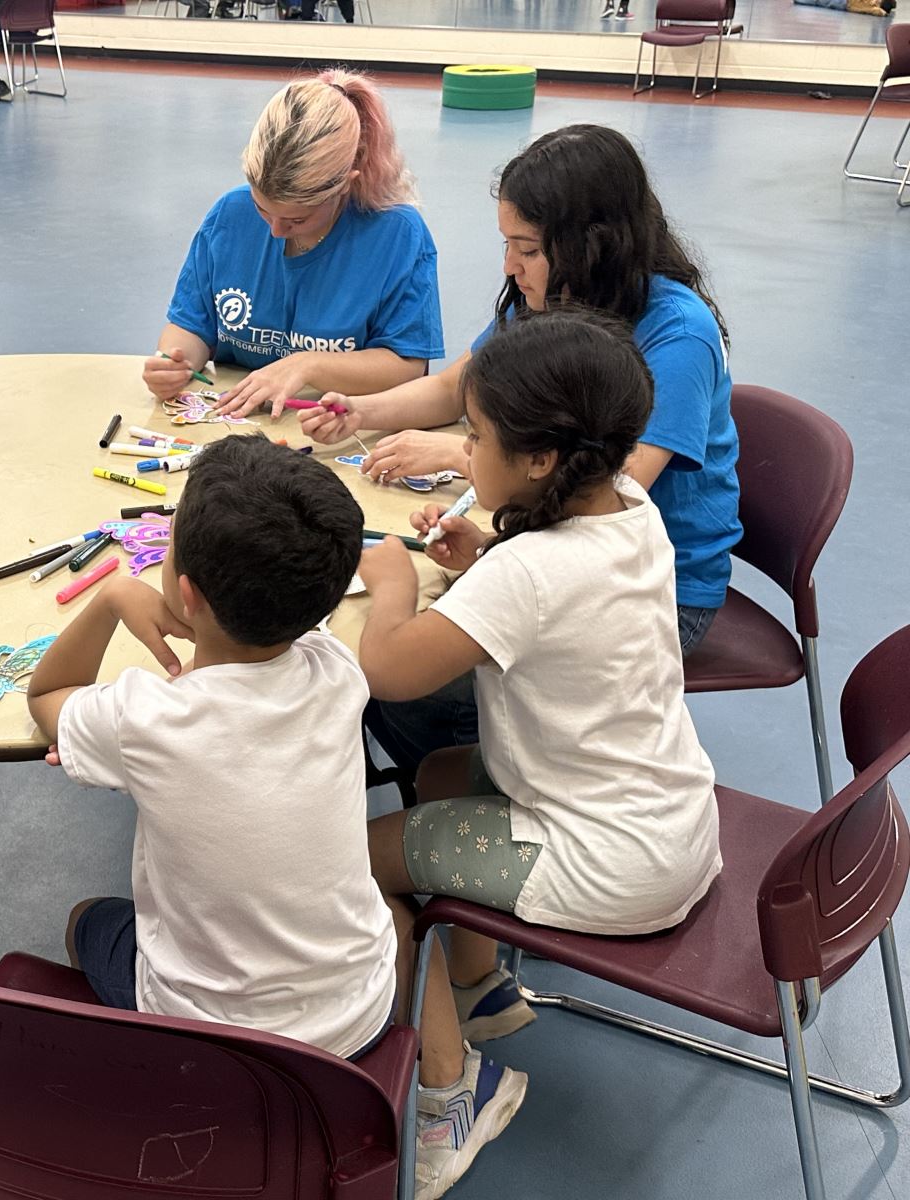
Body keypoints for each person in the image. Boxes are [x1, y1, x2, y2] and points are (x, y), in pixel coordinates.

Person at [357, 310, 719, 1200]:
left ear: (541, 460)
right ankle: (479, 987)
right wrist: (485, 556)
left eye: (476, 436)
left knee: (353, 864)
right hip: (667, 820)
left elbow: (389, 671)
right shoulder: (629, 507)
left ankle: (451, 1094)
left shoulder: (530, 574)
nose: (464, 451)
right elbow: (561, 603)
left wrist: (393, 585)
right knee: (440, 775)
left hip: (606, 862)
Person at [303, 123, 740, 782]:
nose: (510, 265)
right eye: (507, 243)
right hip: (559, 548)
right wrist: (360, 411)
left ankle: (480, 785)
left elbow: (608, 479)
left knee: (417, 679)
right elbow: (458, 385)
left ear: (592, 245)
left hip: (666, 592)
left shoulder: (678, 334)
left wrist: (460, 459)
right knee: (420, 643)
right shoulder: (553, 298)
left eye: (527, 248)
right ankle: (457, 775)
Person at [27, 435, 398, 1064]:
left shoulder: (146, 718)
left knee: (86, 917)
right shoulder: (337, 669)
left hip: (211, 1036)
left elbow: (46, 698)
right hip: (360, 1013)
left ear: (188, 593)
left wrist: (112, 598)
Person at [143, 69, 444, 420]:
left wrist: (307, 366)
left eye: (297, 219)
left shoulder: (397, 235)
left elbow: (406, 365)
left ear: (345, 184)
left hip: (336, 426)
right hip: (238, 425)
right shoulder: (229, 215)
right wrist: (174, 363)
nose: (275, 231)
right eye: (262, 209)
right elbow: (191, 325)